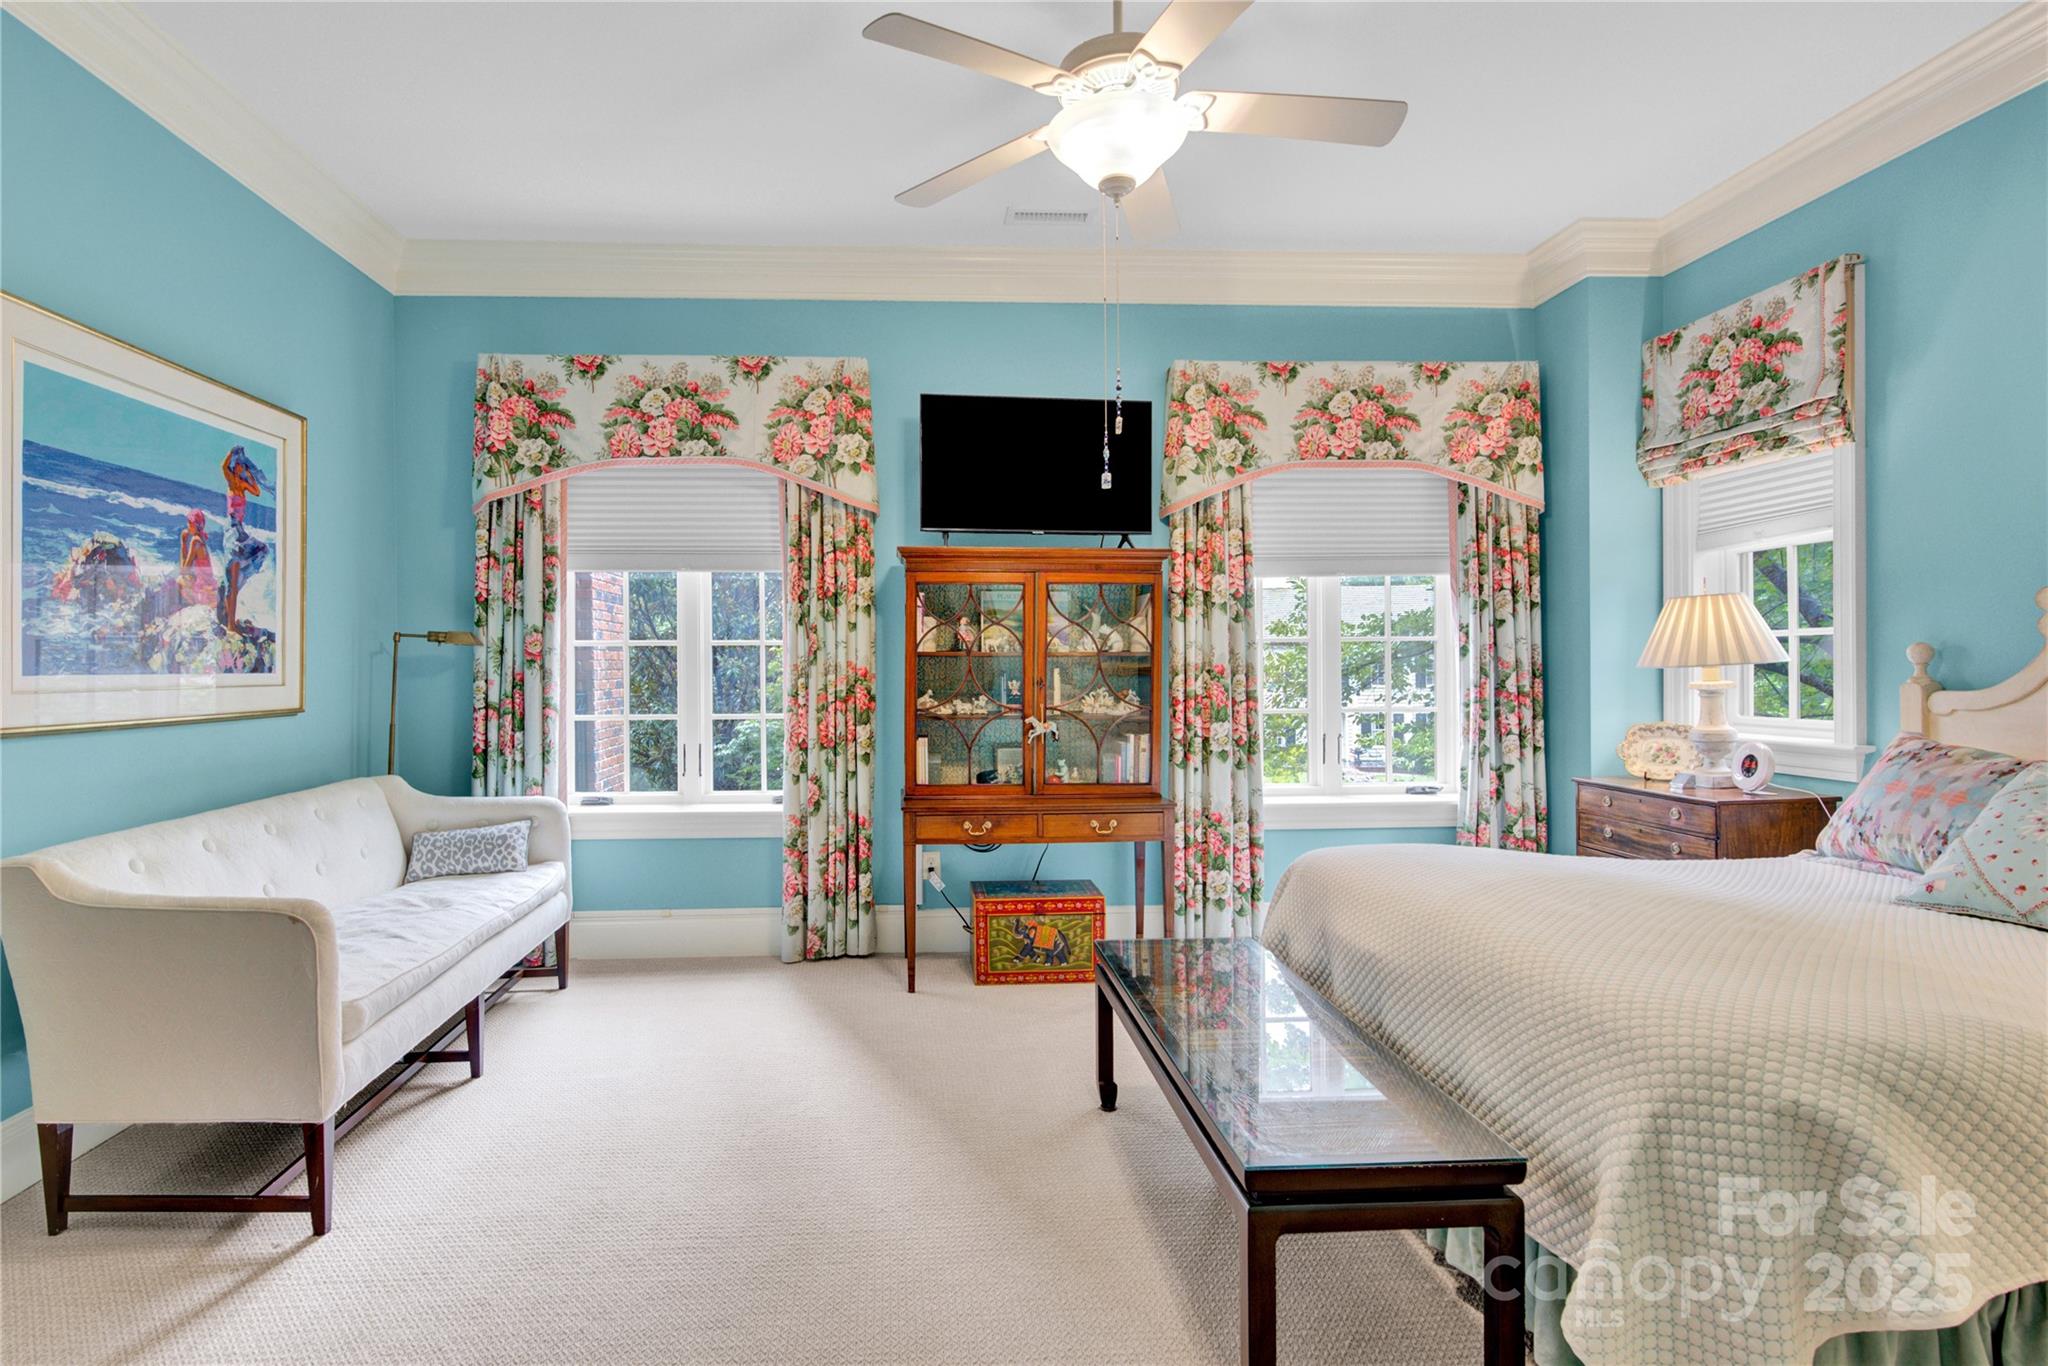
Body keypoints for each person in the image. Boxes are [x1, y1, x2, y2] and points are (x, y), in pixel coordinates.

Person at [217, 445, 271, 628]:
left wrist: (248, 475)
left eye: (243, 465)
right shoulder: (232, 482)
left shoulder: (242, 485)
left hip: (240, 531)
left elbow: (257, 491)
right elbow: (223, 467)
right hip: (233, 531)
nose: (241, 467)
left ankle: (230, 616)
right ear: (234, 466)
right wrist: (230, 453)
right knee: (232, 578)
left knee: (262, 550)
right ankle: (230, 623)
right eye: (239, 465)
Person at [178, 509, 217, 608]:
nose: (187, 525)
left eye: (189, 523)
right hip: (209, 585)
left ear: (193, 524)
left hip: (203, 590)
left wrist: (183, 542)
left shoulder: (195, 541)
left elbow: (184, 570)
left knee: (179, 581)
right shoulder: (201, 538)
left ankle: (185, 607)